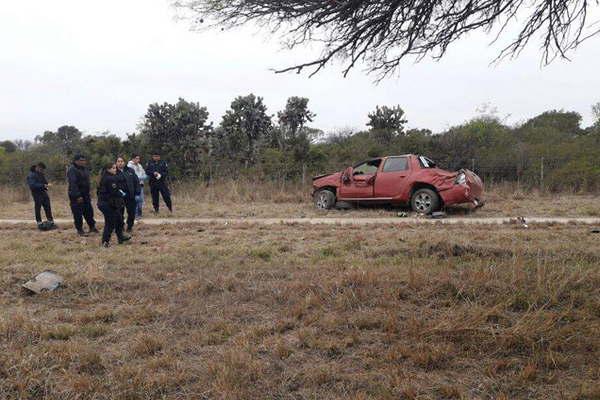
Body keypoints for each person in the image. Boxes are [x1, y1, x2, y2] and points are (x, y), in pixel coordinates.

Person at [97, 162, 131, 247]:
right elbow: (114, 191)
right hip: (106, 204)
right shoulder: (110, 178)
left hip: (109, 203)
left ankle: (120, 237)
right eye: (113, 168)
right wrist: (122, 194)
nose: (115, 170)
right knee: (110, 223)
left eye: (115, 168)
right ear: (108, 169)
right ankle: (105, 242)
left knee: (119, 219)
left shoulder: (108, 177)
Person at [67, 154, 98, 236]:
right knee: (78, 214)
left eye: (84, 160)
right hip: (76, 196)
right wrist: (77, 195)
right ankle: (80, 230)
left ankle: (92, 227)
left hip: (86, 194)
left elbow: (87, 181)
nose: (83, 162)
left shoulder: (85, 169)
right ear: (76, 161)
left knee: (89, 211)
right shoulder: (72, 170)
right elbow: (73, 184)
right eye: (81, 160)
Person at [26, 162, 55, 230]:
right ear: (37, 167)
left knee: (47, 207)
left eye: (43, 170)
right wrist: (43, 185)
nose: (42, 171)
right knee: (38, 208)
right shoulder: (31, 175)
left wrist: (47, 185)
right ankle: (39, 223)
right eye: (41, 169)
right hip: (36, 194)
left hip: (43, 193)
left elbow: (44, 182)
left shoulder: (41, 174)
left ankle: (50, 222)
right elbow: (32, 185)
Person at [116, 156, 140, 232]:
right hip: (119, 196)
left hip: (130, 195)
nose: (120, 163)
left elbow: (136, 182)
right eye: (118, 161)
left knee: (131, 212)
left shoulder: (130, 171)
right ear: (116, 163)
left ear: (125, 162)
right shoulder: (114, 171)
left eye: (122, 161)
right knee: (119, 213)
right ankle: (120, 226)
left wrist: (137, 193)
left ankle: (129, 227)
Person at [127, 154, 147, 219]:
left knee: (141, 200)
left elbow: (144, 174)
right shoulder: (129, 166)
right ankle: (135, 215)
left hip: (140, 185)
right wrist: (140, 178)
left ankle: (139, 214)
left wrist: (142, 177)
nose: (138, 160)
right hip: (133, 186)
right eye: (137, 158)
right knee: (135, 200)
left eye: (139, 158)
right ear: (133, 159)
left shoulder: (139, 165)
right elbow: (132, 177)